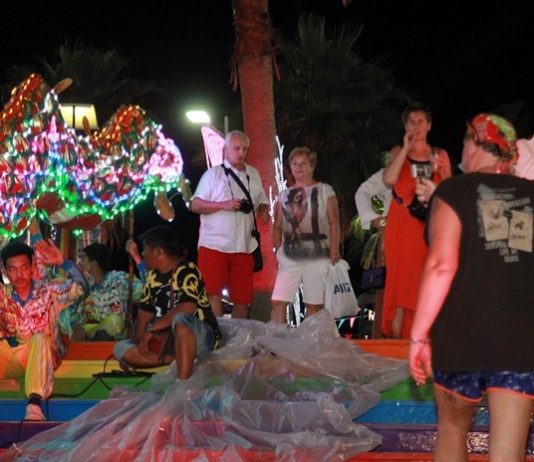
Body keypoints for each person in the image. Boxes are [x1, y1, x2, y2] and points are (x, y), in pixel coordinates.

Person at [409, 114, 534, 461]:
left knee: (452, 430)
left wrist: (419, 336)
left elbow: (441, 265)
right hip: (519, 341)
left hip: (460, 338)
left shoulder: (452, 191)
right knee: (508, 453)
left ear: (474, 143)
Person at [113, 226, 221, 380]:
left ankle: (182, 384)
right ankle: (176, 359)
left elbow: (187, 308)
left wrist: (152, 329)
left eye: (145, 249)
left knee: (181, 319)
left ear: (158, 252)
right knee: (120, 348)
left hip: (201, 338)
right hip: (171, 340)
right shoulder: (152, 277)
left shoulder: (187, 269)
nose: (142, 254)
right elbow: (144, 314)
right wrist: (139, 343)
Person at [382, 103, 451, 338]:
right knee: (401, 284)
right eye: (411, 122)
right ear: (405, 126)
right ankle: (399, 346)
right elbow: (389, 180)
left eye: (421, 121)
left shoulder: (439, 155)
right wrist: (405, 148)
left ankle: (424, 340)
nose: (416, 126)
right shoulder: (397, 151)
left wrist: (442, 171)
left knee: (426, 280)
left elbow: (449, 192)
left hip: (429, 225)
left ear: (429, 125)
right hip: (402, 223)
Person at [0, 235, 87, 421]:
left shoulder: (49, 290)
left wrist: (63, 263)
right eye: (12, 270)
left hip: (43, 357)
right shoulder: (3, 296)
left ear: (32, 267)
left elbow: (82, 288)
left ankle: (34, 405)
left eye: (24, 268)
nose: (19, 275)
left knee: (39, 338)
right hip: (16, 356)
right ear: (5, 272)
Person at [191, 130, 269, 318]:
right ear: (225, 150)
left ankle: (236, 335)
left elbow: (261, 200)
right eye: (236, 148)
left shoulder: (253, 174)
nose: (241, 153)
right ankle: (217, 333)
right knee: (213, 293)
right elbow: (195, 205)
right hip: (214, 244)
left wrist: (262, 210)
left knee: (243, 299)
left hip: (244, 245)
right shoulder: (213, 174)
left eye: (244, 149)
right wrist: (223, 205)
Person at [271, 147, 340, 323]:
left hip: (318, 255)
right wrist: (278, 247)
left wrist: (334, 250)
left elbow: (334, 221)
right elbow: (277, 225)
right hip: (290, 255)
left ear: (312, 166)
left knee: (314, 304)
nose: (298, 167)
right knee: (278, 301)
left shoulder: (324, 190)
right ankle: (277, 337)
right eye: (294, 163)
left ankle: (311, 338)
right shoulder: (284, 195)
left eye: (303, 163)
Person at [77, 243, 143, 340]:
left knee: (116, 320)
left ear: (93, 263)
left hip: (123, 341)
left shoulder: (120, 278)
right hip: (98, 343)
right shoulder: (90, 291)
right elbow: (81, 318)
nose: (80, 264)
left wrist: (137, 258)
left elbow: (147, 290)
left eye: (83, 260)